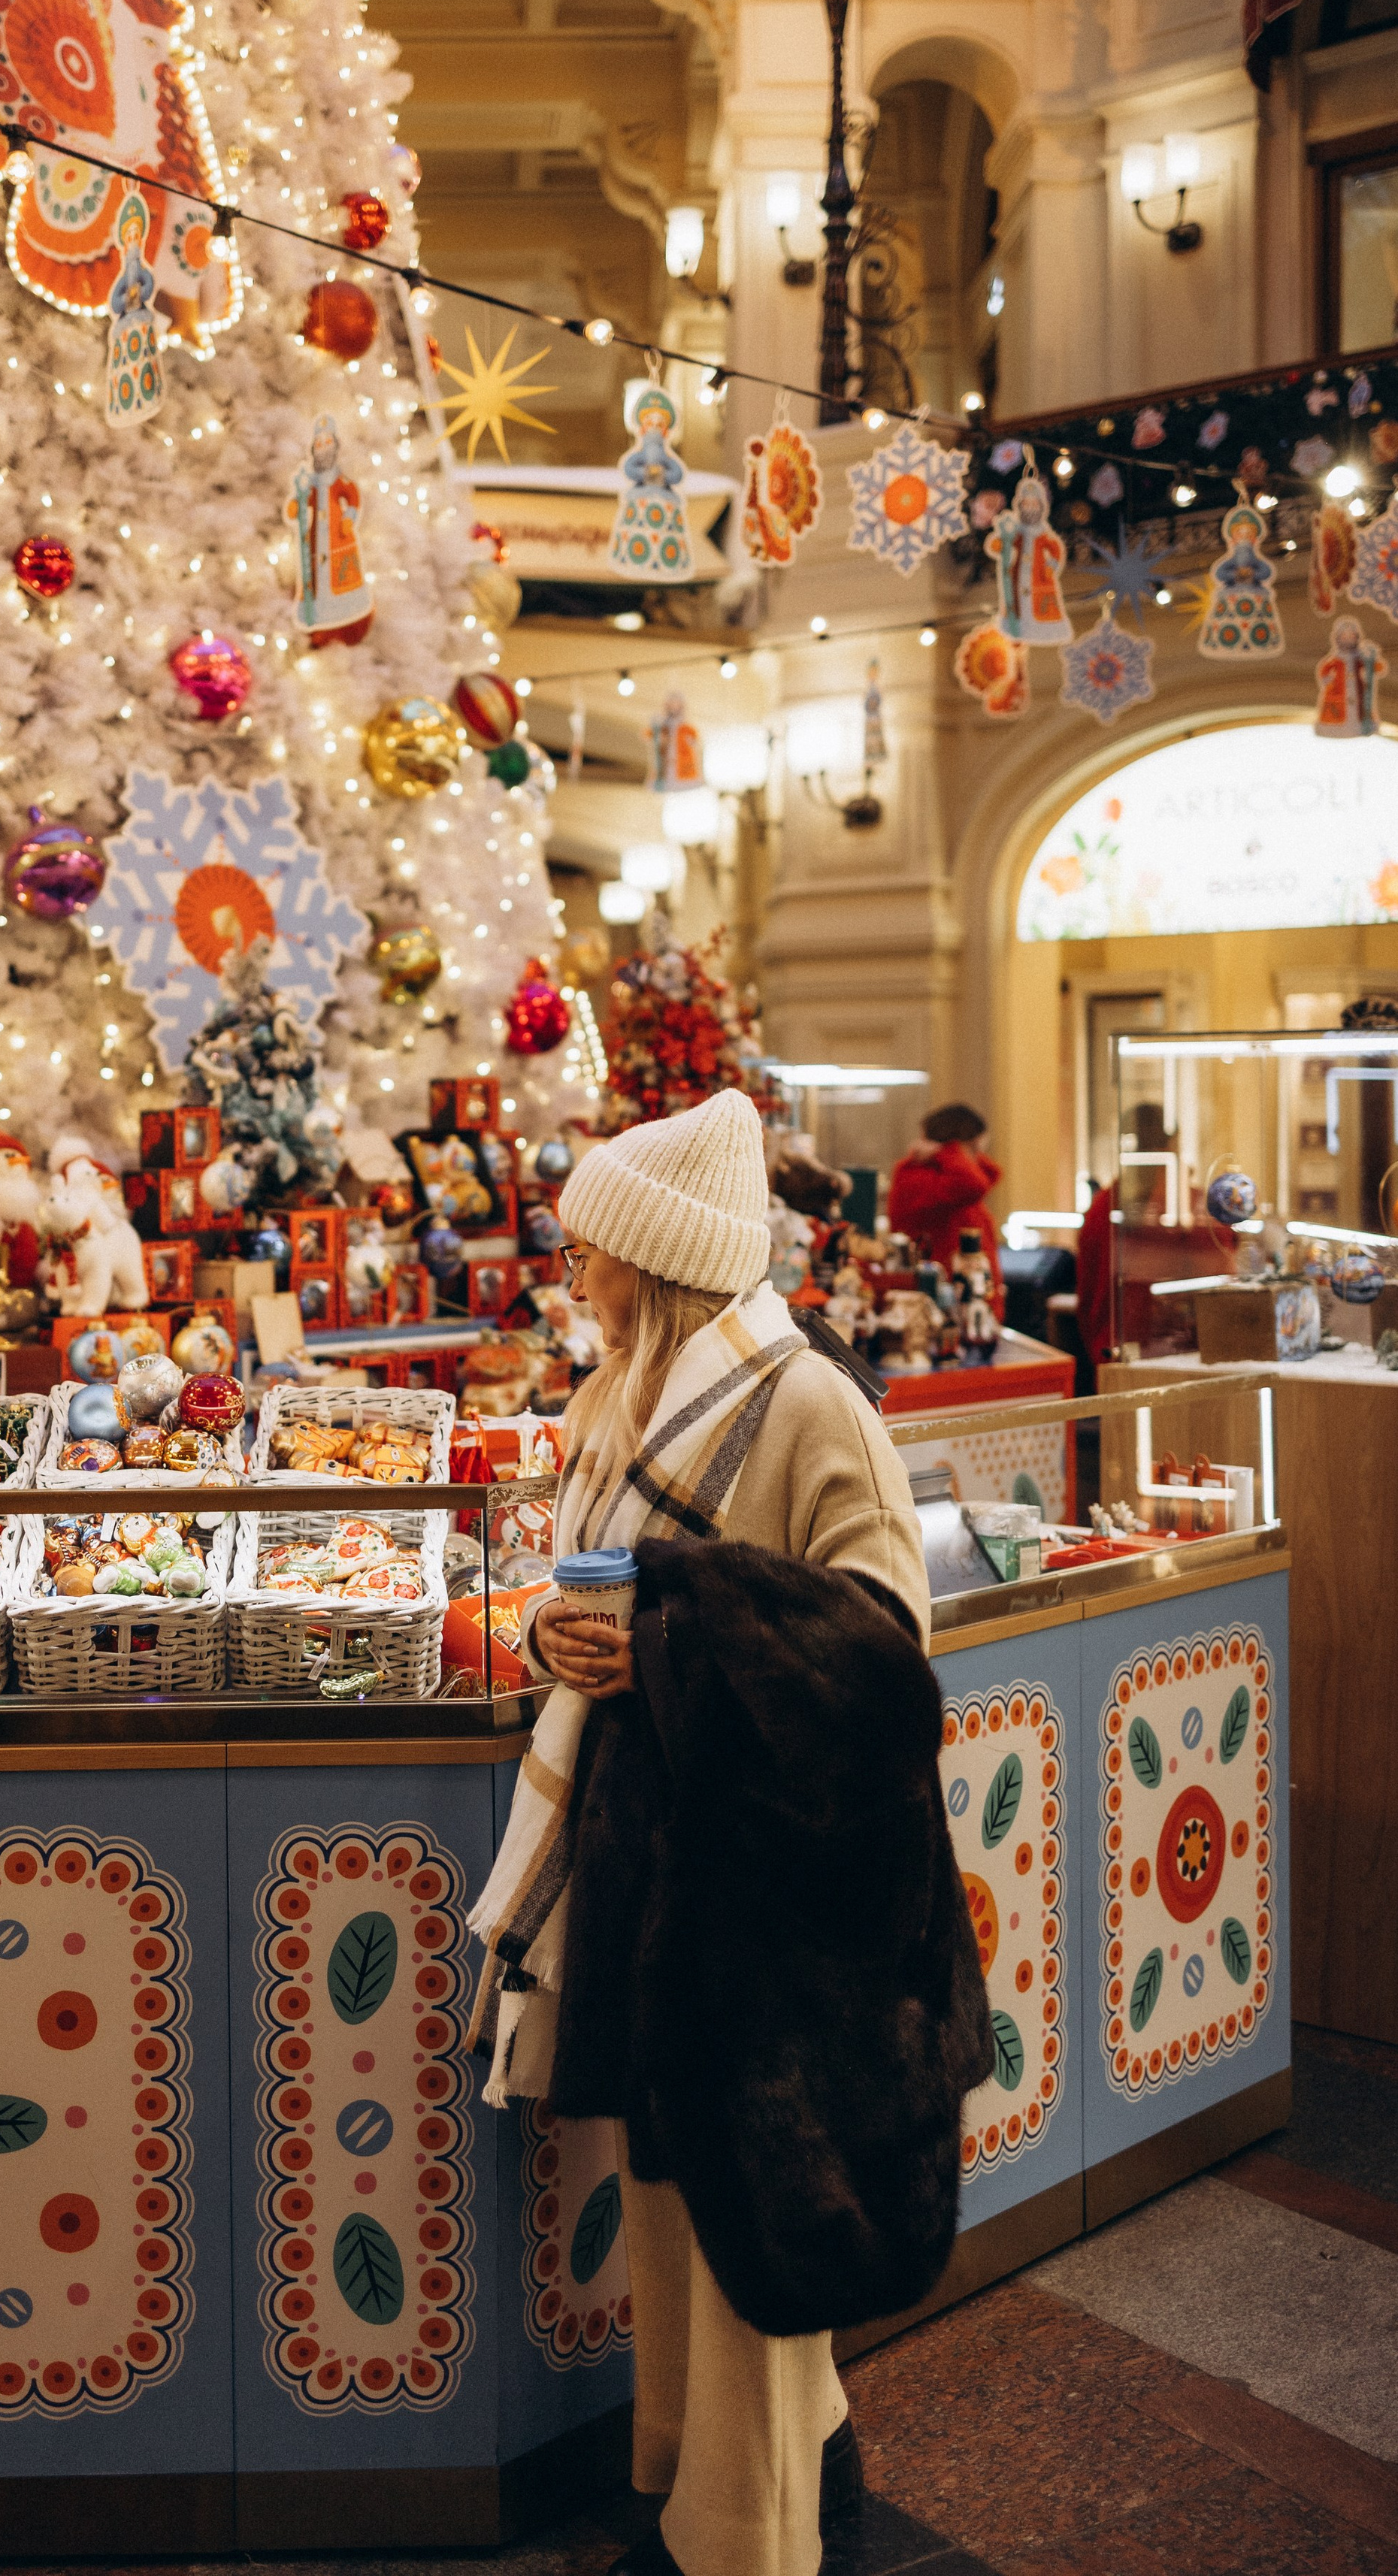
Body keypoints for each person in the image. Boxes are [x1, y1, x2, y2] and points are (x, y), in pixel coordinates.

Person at [469, 1090, 987, 2576]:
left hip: (771, 1887)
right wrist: (567, 1643)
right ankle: (708, 2467)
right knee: (669, 2189)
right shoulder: (615, 1396)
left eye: (588, 1253)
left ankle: (742, 2538)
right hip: (659, 1855)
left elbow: (886, 1651)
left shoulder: (810, 1399)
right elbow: (613, 1602)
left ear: (653, 1260)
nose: (567, 1275)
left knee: (748, 2213)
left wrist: (662, 1652)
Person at [887, 1103, 1005, 1313]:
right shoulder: (917, 1178)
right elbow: (975, 1183)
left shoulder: (950, 1183)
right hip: (942, 1309)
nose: (975, 1158)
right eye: (972, 1149)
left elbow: (990, 1175)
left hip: (966, 1305)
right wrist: (947, 1152)